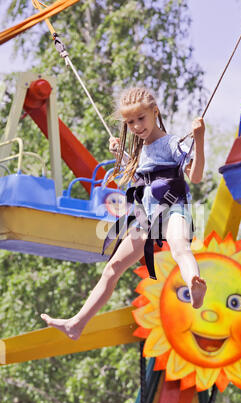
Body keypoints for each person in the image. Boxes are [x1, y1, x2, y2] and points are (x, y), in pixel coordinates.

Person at [41, 87, 207, 340]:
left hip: (173, 209)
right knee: (112, 268)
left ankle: (194, 283)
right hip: (145, 217)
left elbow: (195, 177)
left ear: (155, 112)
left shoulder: (172, 143)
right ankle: (76, 324)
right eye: (130, 122)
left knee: (179, 247)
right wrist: (121, 155)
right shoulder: (140, 152)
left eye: (141, 119)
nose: (137, 126)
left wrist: (200, 138)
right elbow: (139, 177)